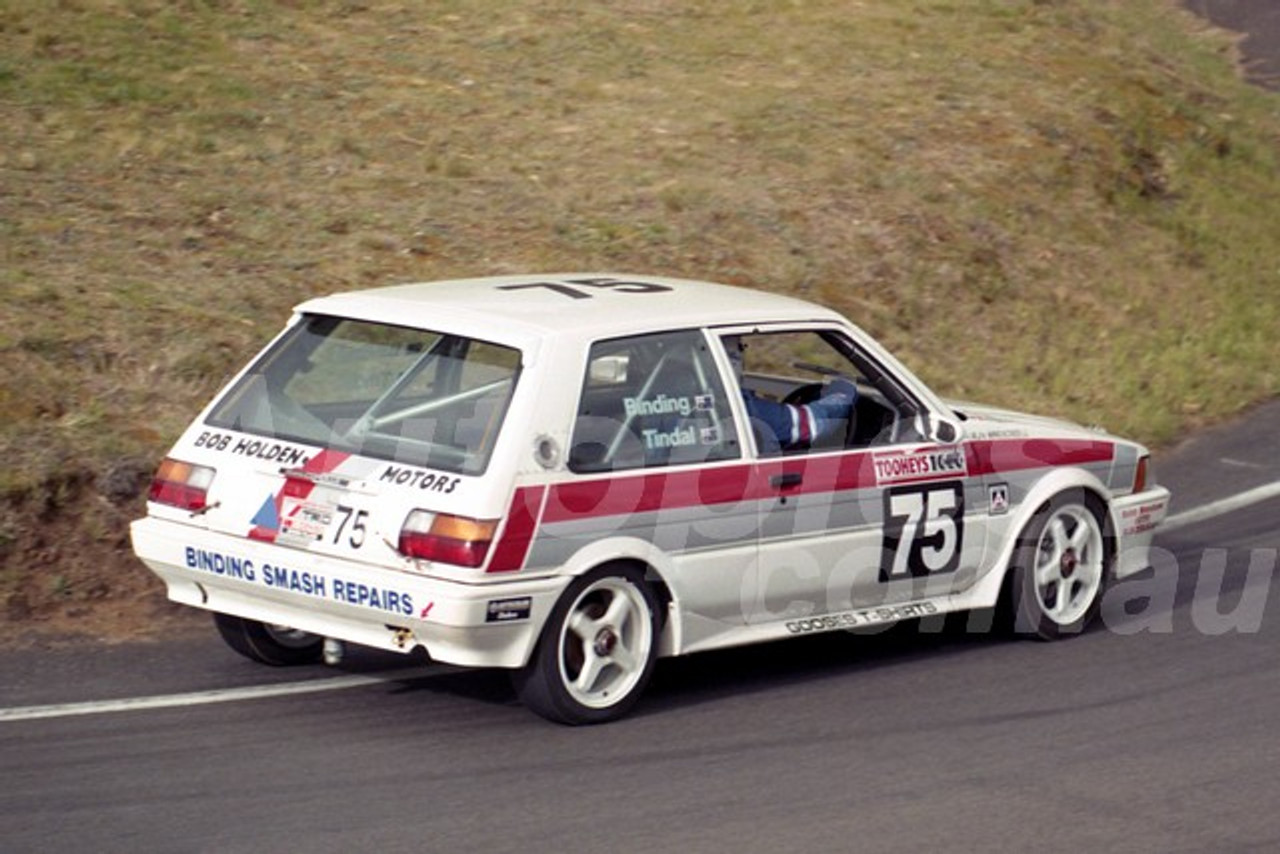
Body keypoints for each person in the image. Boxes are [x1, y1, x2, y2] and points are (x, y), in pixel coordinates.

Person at [723, 336, 857, 452]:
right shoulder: (742, 407)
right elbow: (814, 423)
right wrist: (844, 391)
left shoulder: (714, 403)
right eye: (739, 350)